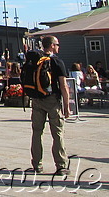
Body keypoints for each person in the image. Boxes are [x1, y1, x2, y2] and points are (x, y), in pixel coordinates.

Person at [30, 36, 70, 176]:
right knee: (57, 133)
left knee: (37, 132)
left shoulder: (34, 59)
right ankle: (61, 166)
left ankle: (37, 164)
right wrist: (67, 106)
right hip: (52, 100)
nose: (59, 46)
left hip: (36, 99)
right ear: (52, 46)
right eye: (57, 44)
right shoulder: (57, 61)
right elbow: (64, 86)